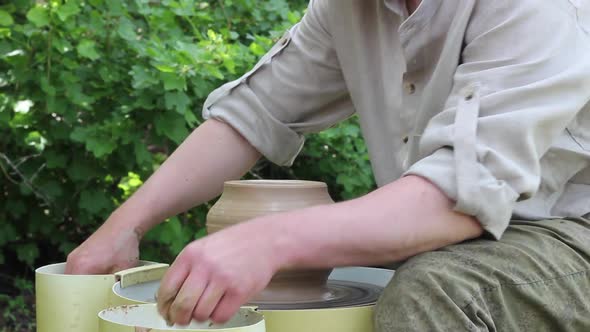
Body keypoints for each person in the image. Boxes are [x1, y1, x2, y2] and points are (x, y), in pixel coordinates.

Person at [66, 0, 590, 330]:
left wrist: (266, 240)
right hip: (463, 235)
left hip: (571, 234)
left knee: (434, 290)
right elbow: (256, 111)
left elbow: (461, 194)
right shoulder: (349, 8)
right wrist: (123, 227)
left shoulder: (534, 6)